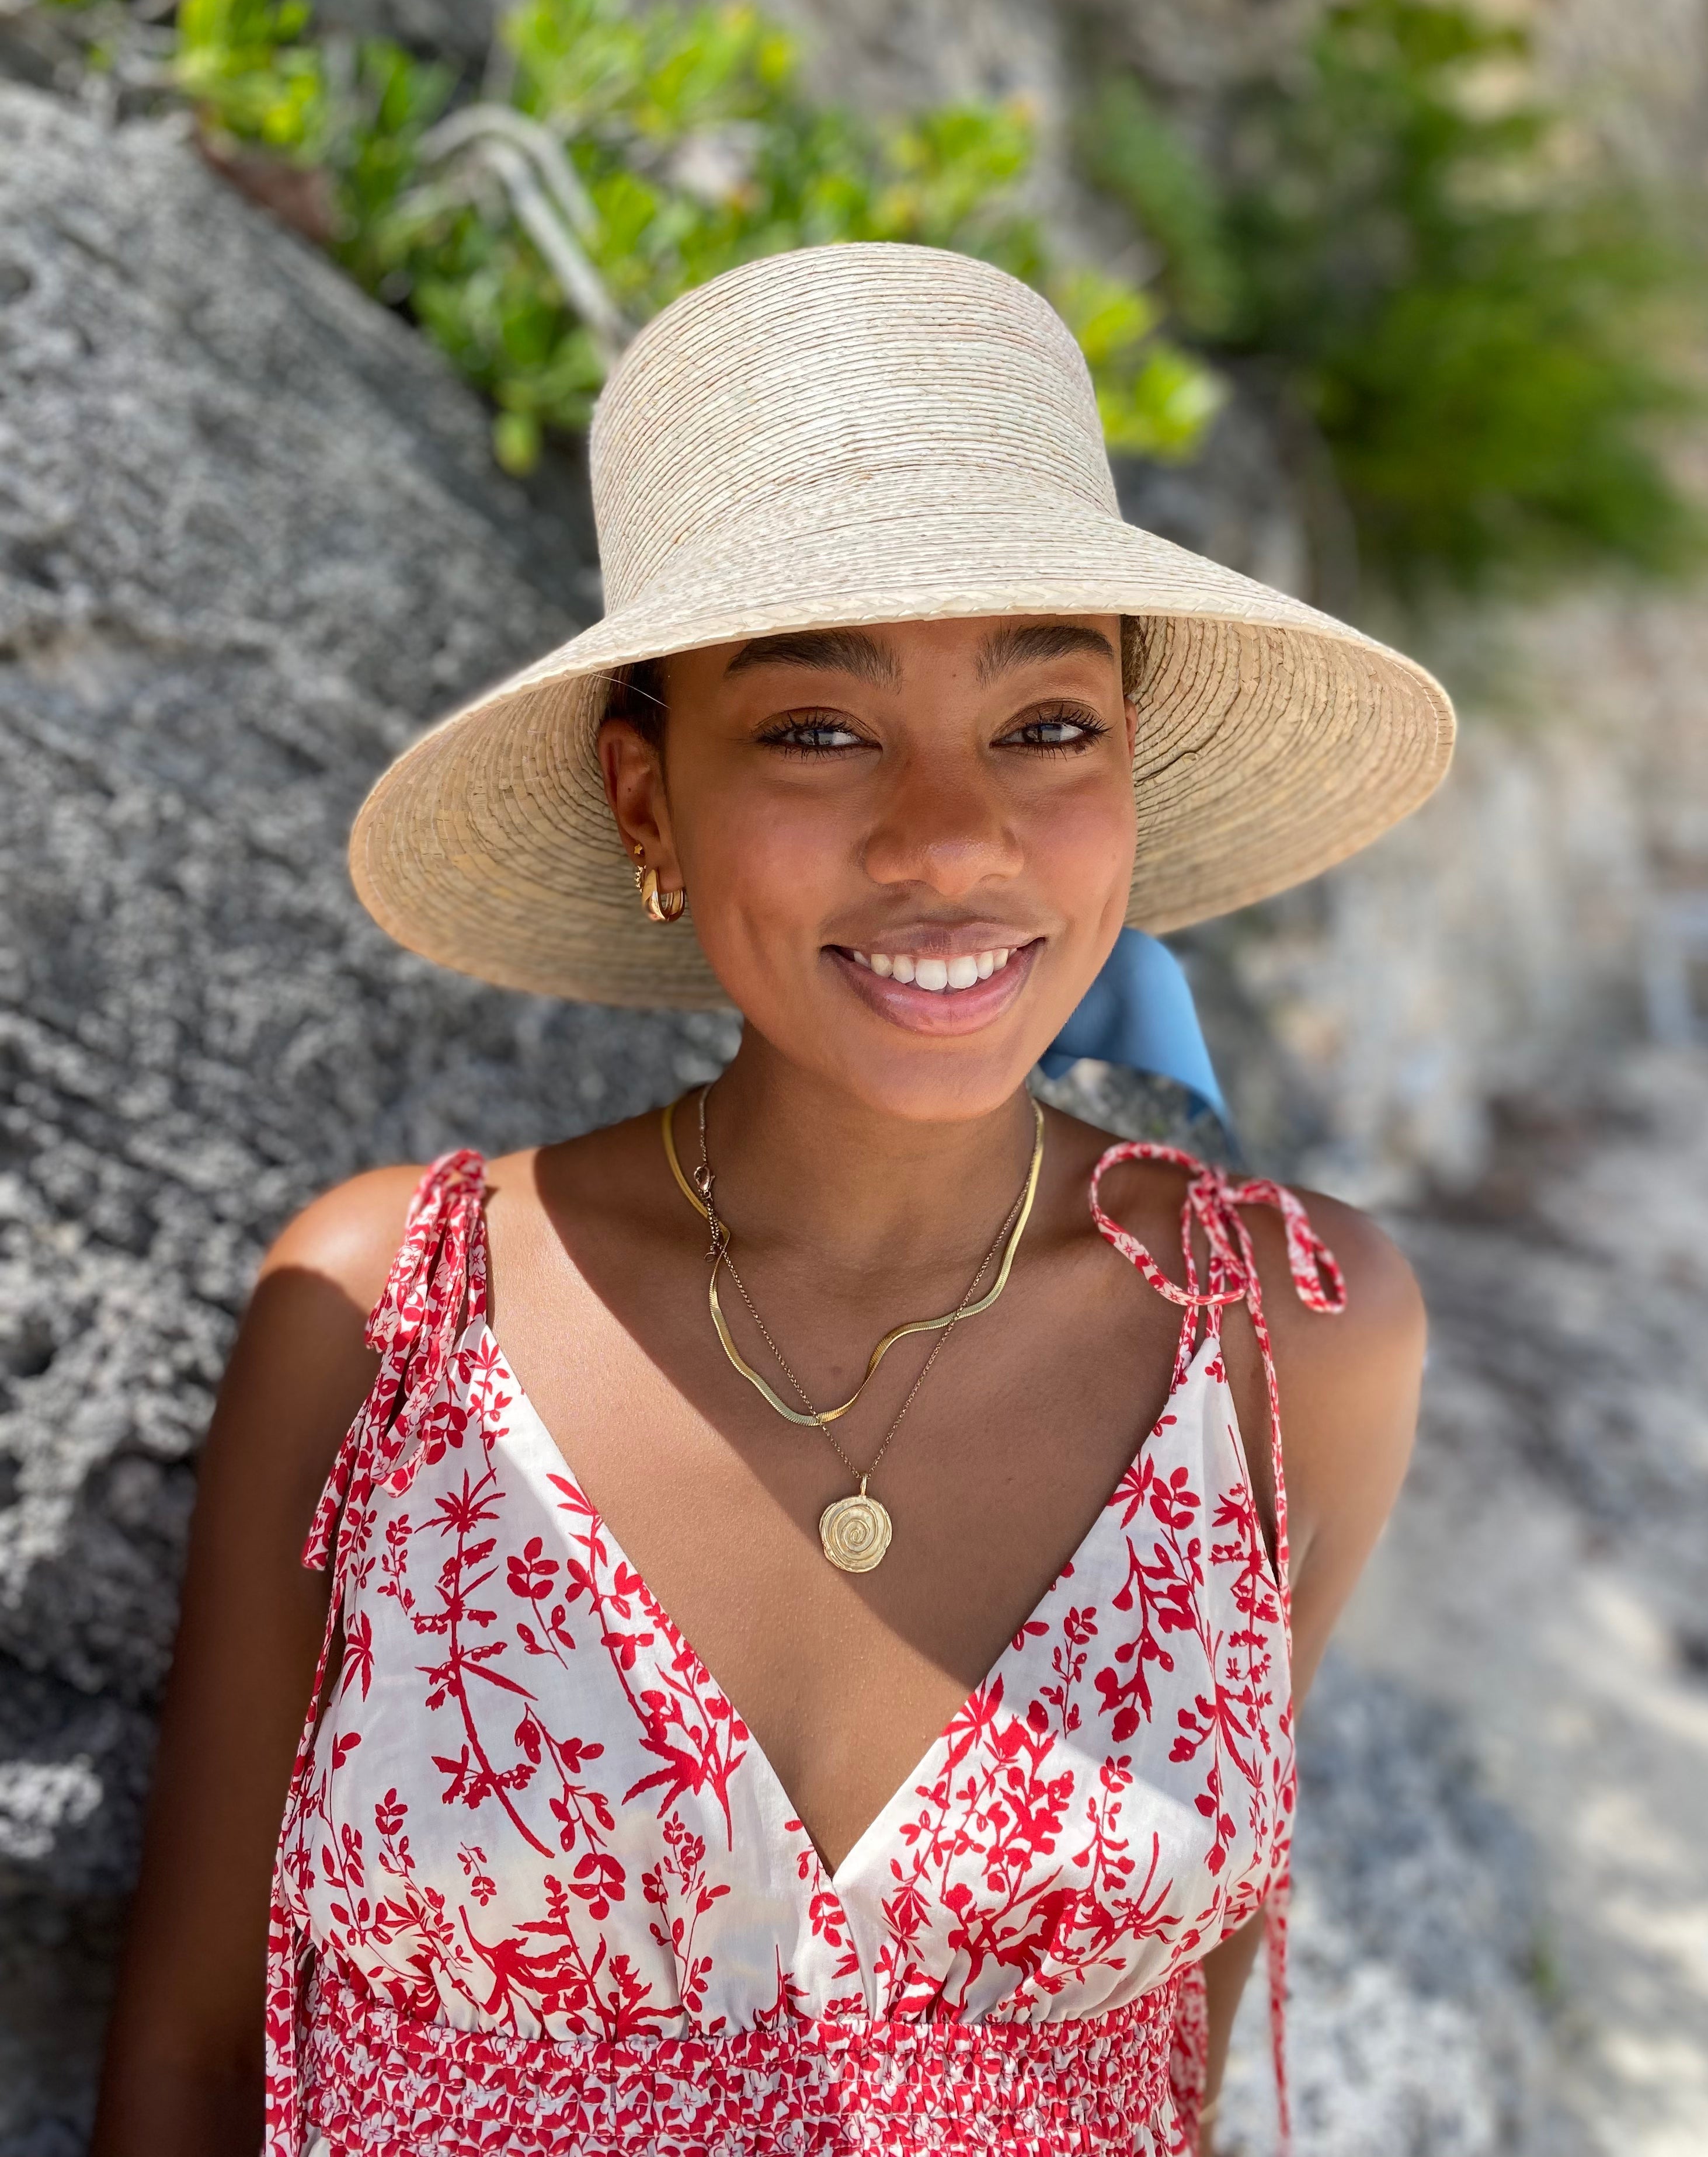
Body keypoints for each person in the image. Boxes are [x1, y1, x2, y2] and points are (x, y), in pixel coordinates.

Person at [93, 242, 1453, 2156]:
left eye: (1046, 723)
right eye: (819, 729)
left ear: (1129, 770)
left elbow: (1167, 2076)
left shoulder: (1289, 1340)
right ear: (648, 803)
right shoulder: (390, 1321)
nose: (951, 836)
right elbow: (188, 2072)